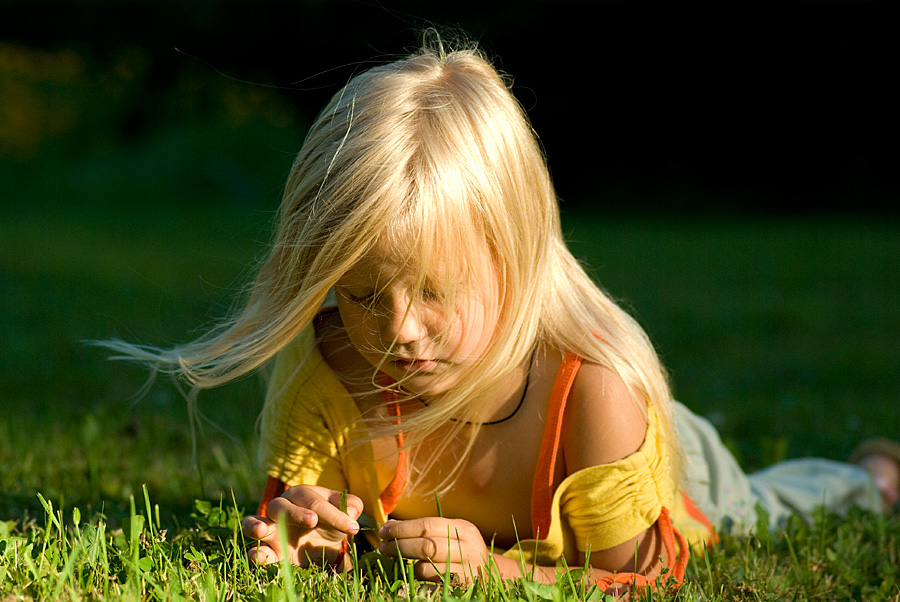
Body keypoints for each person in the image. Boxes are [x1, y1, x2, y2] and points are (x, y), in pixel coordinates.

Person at [101, 34, 899, 594]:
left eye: (436, 290)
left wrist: (498, 571)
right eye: (363, 294)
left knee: (768, 503)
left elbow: (640, 582)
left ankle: (872, 477)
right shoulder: (332, 367)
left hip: (661, 466)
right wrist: (300, 528)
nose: (399, 331)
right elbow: (289, 512)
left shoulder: (594, 395)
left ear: (515, 254)